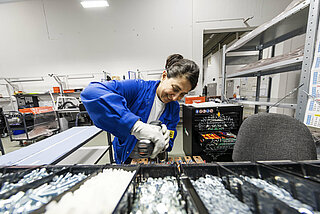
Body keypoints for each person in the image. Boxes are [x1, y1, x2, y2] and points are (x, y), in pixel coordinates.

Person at [81, 54, 199, 164]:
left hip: (154, 159)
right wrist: (136, 126)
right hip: (127, 156)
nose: (175, 97)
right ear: (164, 76)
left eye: (183, 94)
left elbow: (170, 140)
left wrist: (166, 140)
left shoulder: (173, 108)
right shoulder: (138, 88)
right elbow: (91, 92)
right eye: (175, 88)